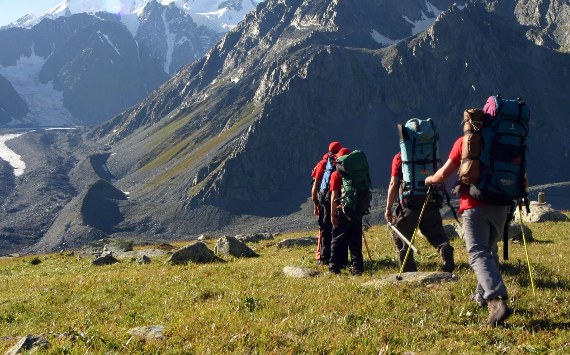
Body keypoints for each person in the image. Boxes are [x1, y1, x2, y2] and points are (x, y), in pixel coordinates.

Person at [424, 136, 522, 326]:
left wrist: (430, 179)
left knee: (478, 254)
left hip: (474, 206)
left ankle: (496, 301)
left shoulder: (466, 141)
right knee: (490, 251)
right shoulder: (509, 140)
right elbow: (523, 180)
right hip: (501, 206)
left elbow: (444, 174)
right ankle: (480, 296)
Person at [385, 151, 456, 273]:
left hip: (409, 203)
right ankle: (444, 247)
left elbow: (393, 183)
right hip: (430, 198)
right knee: (435, 232)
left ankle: (409, 272)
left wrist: (388, 209)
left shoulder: (400, 157)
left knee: (402, 238)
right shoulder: (431, 152)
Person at [329, 148, 363, 275]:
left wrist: (332, 215)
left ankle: (333, 269)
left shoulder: (336, 174)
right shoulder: (357, 172)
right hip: (357, 210)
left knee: (337, 240)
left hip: (342, 210)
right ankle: (358, 269)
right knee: (355, 242)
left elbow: (334, 195)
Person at [311, 142, 342, 265]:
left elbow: (315, 186)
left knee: (325, 229)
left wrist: (316, 203)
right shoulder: (342, 162)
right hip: (339, 200)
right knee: (339, 228)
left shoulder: (322, 163)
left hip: (324, 201)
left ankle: (324, 258)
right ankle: (338, 258)